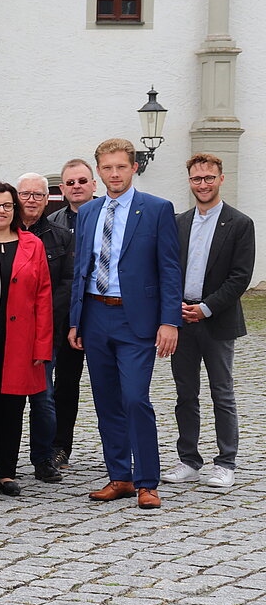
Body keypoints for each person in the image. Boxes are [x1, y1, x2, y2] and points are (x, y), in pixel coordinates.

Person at [68, 138, 181, 510]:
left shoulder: (157, 209)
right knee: (106, 401)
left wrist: (169, 321)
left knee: (135, 398)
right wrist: (76, 322)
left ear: (133, 168)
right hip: (96, 316)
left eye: (121, 166)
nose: (114, 174)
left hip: (137, 320)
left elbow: (169, 269)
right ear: (98, 172)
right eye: (107, 168)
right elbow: (81, 270)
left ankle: (148, 480)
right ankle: (120, 477)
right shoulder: (88, 212)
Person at [161, 153, 255, 489]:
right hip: (182, 319)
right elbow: (168, 270)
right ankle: (189, 460)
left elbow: (240, 276)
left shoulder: (240, 223)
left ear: (220, 179)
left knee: (222, 393)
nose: (203, 184)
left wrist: (206, 308)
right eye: (197, 179)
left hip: (216, 320)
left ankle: (226, 463)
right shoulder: (178, 221)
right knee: (185, 394)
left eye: (209, 178)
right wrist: (175, 309)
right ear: (190, 181)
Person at [0, 182, 53, 497]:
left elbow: (44, 297)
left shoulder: (32, 244)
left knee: (11, 408)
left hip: (20, 341)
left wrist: (42, 346)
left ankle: (6, 472)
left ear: (15, 210)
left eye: (7, 205)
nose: (1, 210)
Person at [15, 172, 73, 483]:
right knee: (4, 396)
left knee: (43, 396)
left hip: (44, 328)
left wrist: (41, 313)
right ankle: (0, 459)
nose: (33, 201)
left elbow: (67, 283)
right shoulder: (1, 232)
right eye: (26, 195)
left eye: (39, 195)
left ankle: (43, 458)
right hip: (9, 328)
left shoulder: (61, 236)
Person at [47, 158, 96, 468]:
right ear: (62, 188)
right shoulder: (53, 223)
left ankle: (121, 448)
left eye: (82, 181)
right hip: (66, 316)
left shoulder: (108, 216)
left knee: (115, 386)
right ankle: (59, 445)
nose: (77, 186)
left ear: (94, 185)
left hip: (103, 310)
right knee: (64, 383)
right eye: (71, 182)